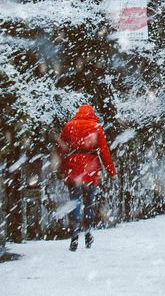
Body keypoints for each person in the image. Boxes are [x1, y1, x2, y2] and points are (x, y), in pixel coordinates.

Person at [57, 104, 116, 251]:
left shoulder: (68, 127)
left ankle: (74, 234)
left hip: (74, 169)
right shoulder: (96, 128)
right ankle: (88, 231)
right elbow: (104, 151)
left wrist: (61, 168)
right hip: (91, 169)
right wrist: (111, 171)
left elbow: (61, 149)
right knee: (88, 203)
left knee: (74, 202)